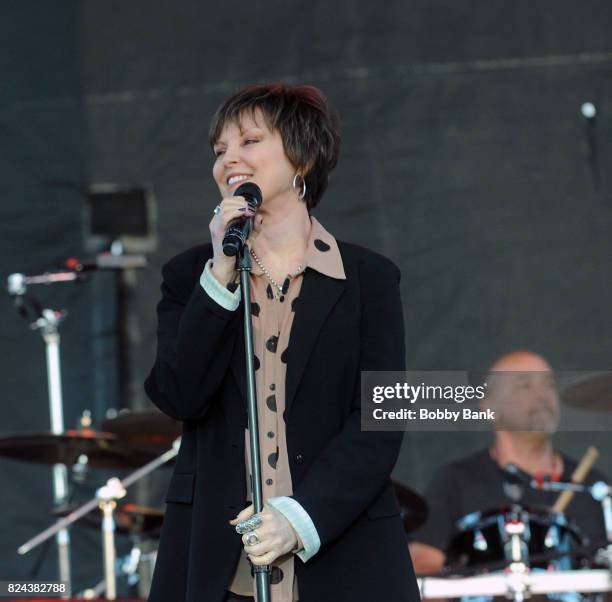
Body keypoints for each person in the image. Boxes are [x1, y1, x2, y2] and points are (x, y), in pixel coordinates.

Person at [144, 83, 420, 602]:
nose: (230, 160)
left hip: (344, 555)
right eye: (220, 150)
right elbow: (178, 395)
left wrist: (301, 518)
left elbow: (380, 419)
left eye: (249, 141)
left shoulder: (369, 279)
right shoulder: (190, 277)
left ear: (302, 155)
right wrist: (220, 279)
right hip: (216, 564)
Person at [409, 350, 608, 575]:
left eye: (548, 384)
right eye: (524, 385)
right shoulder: (456, 481)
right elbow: (423, 566)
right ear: (490, 407)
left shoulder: (593, 488)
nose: (542, 395)